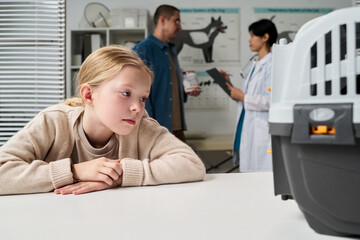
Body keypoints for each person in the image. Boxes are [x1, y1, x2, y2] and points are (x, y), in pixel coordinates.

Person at [0, 45, 206, 195]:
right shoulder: (52, 122)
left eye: (143, 98)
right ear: (89, 95)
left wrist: (118, 174)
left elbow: (191, 165)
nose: (138, 106)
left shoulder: (141, 126)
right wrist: (74, 171)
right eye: (126, 93)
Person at [133, 5, 200, 142]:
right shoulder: (142, 50)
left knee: (185, 163)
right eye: (176, 21)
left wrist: (185, 90)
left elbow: (167, 86)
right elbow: (138, 94)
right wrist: (149, 129)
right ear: (162, 21)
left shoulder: (171, 49)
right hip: (156, 131)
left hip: (177, 128)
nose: (179, 26)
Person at [221, 19, 278, 172]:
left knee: (259, 175)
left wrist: (244, 97)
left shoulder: (273, 65)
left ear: (265, 37)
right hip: (246, 124)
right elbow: (248, 95)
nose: (249, 39)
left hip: (260, 127)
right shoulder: (255, 64)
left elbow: (273, 101)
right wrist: (230, 86)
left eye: (253, 36)